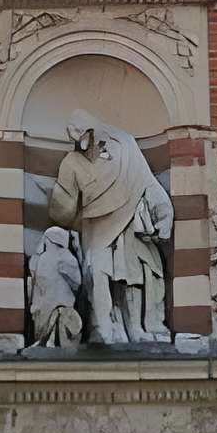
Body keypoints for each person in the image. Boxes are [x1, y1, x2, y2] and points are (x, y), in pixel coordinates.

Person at [47, 109, 174, 346]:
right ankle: (101, 326)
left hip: (128, 223)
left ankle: (136, 327)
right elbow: (62, 211)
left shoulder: (126, 147)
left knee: (133, 274)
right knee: (97, 270)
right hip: (95, 227)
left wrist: (164, 214)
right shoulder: (72, 163)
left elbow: (146, 181)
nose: (91, 145)